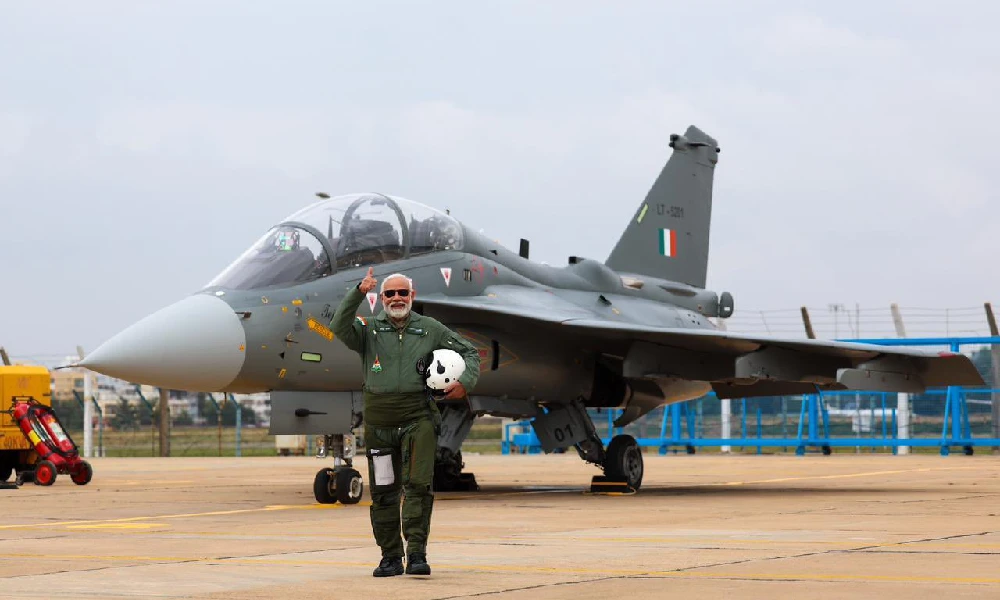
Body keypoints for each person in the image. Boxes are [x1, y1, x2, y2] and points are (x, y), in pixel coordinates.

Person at [330, 266, 480, 577]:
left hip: (418, 419)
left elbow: (469, 351)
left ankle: (416, 554)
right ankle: (389, 557)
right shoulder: (368, 330)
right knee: (384, 490)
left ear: (412, 296)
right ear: (381, 298)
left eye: (402, 293)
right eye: (390, 293)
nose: (397, 298)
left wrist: (466, 381)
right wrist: (358, 291)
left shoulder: (430, 329)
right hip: (380, 424)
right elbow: (337, 326)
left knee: (417, 487)